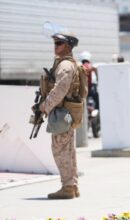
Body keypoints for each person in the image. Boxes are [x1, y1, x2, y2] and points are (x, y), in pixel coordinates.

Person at [38, 31, 82, 199]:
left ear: (68, 46)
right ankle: (72, 185)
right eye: (55, 43)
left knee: (60, 150)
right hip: (66, 112)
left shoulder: (65, 65)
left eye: (59, 43)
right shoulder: (68, 63)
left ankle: (68, 187)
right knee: (68, 150)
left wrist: (45, 106)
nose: (55, 46)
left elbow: (60, 90)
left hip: (62, 113)